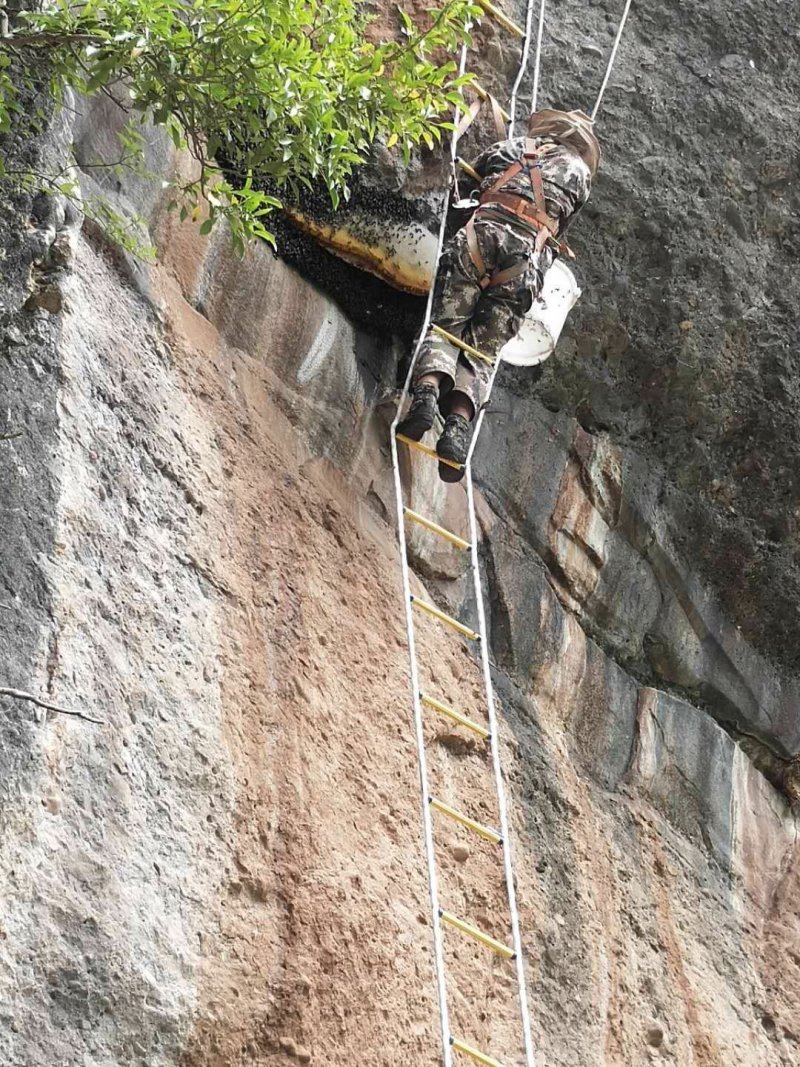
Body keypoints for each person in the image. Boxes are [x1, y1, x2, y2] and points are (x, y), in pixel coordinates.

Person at [396, 108, 601, 482]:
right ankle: (456, 427)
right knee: (484, 348)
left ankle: (425, 395)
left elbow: (466, 183)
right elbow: (559, 230)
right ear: (581, 145)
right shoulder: (580, 176)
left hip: (481, 237)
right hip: (524, 262)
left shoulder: (509, 148)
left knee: (445, 325)